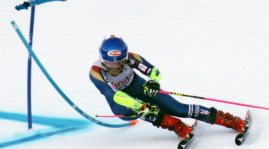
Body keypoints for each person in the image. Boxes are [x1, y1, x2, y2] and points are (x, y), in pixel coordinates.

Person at [90, 35, 246, 139]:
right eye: (110, 63)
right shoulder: (96, 72)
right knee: (147, 110)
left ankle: (228, 120)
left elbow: (154, 71)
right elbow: (113, 95)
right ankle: (176, 126)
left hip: (138, 86)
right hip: (121, 104)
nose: (115, 67)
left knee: (178, 108)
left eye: (119, 62)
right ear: (102, 59)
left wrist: (153, 82)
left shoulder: (132, 58)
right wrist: (137, 104)